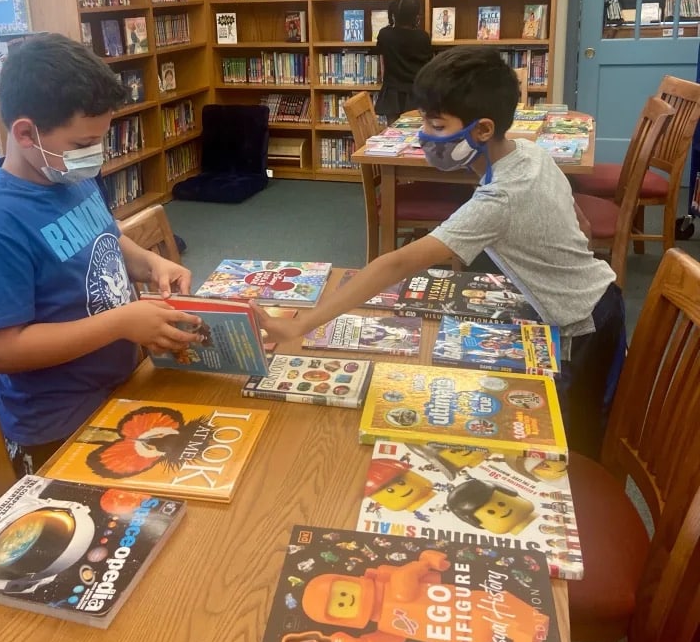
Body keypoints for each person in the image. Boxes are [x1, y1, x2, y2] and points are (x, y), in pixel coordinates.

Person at [259, 47, 625, 460]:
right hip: (596, 298)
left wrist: (301, 325)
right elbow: (584, 226)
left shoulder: (499, 199)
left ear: (483, 130)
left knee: (571, 449)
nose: (425, 136)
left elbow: (395, 262)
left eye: (436, 125)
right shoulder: (530, 152)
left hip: (582, 325)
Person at [0, 33, 202, 476]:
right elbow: (2, 349)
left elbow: (104, 239)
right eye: (81, 144)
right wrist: (121, 323)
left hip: (120, 385)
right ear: (26, 133)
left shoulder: (70, 177)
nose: (94, 156)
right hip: (58, 425)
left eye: (100, 140)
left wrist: (151, 263)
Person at [374, 0, 433, 122]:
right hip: (416, 93)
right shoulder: (423, 37)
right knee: (416, 133)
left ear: (394, 14)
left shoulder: (385, 34)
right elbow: (428, 65)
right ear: (416, 17)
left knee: (393, 133)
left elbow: (382, 61)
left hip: (392, 93)